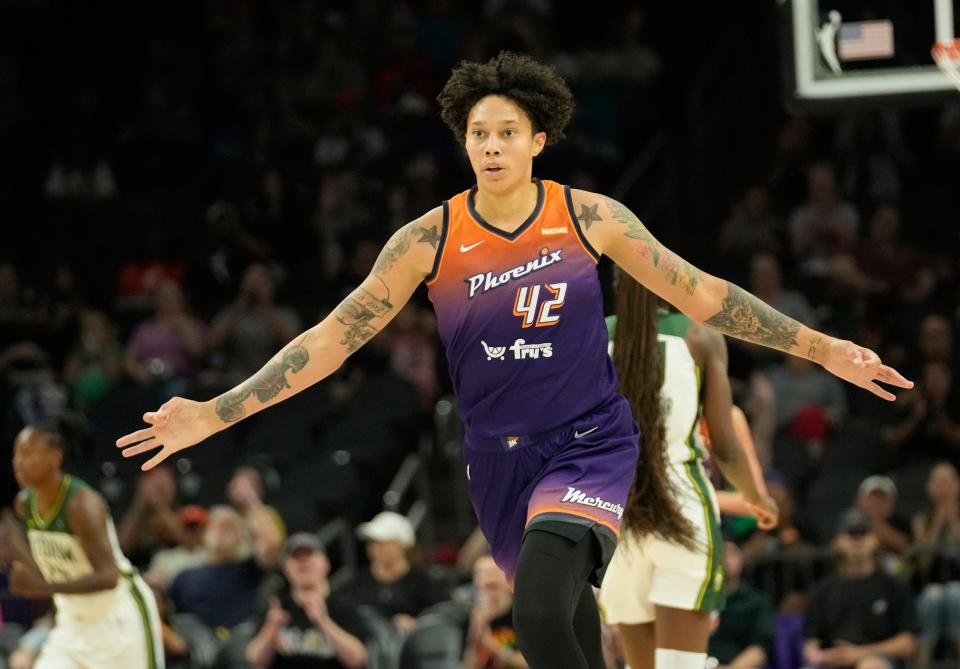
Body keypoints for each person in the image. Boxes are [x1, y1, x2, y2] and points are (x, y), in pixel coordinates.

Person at [117, 52, 911, 669]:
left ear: (538, 140)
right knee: (556, 631)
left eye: (506, 132)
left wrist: (825, 347)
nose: (491, 146)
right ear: (464, 144)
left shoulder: (587, 216)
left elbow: (704, 292)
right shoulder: (429, 238)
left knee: (532, 609)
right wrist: (213, 413)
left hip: (591, 444)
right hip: (497, 460)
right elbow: (328, 340)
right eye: (477, 134)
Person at [599, 281, 777, 669]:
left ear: (616, 287)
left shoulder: (593, 338)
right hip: (680, 505)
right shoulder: (700, 335)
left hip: (613, 510)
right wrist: (756, 498)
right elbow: (726, 447)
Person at [2, 424, 164, 668]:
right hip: (72, 619)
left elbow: (108, 577)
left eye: (27, 453)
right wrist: (14, 549)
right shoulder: (24, 504)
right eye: (16, 454)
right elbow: (52, 569)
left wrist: (44, 587)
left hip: (116, 617)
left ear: (54, 457)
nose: (18, 462)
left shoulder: (81, 504)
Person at [803, 509, 917, 669]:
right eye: (851, 534)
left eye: (863, 533)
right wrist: (821, 656)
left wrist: (860, 653)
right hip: (831, 661)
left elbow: (907, 643)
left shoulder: (894, 587)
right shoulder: (822, 590)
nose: (857, 541)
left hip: (877, 658)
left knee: (871, 666)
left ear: (876, 540)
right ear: (837, 542)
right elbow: (810, 645)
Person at [246, 533, 367, 669]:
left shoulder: (344, 606)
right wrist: (271, 629)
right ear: (285, 568)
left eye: (309, 555)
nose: (303, 562)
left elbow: (358, 660)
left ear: (326, 564)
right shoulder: (276, 606)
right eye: (296, 557)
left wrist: (323, 621)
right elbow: (253, 661)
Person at [350, 511, 447, 633]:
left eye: (381, 542)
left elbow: (442, 617)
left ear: (401, 545)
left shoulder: (424, 582)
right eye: (371, 542)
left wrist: (417, 624)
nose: (374, 548)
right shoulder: (359, 581)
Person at [707, 541, 775, 669]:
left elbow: (760, 648)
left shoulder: (756, 602)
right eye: (719, 553)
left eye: (731, 554)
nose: (725, 559)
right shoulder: (697, 601)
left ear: (741, 560)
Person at [463, 555, 527, 669]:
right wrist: (476, 631)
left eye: (495, 573)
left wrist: (495, 648)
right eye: (482, 574)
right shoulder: (472, 616)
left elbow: (532, 663)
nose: (488, 580)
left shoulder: (523, 614)